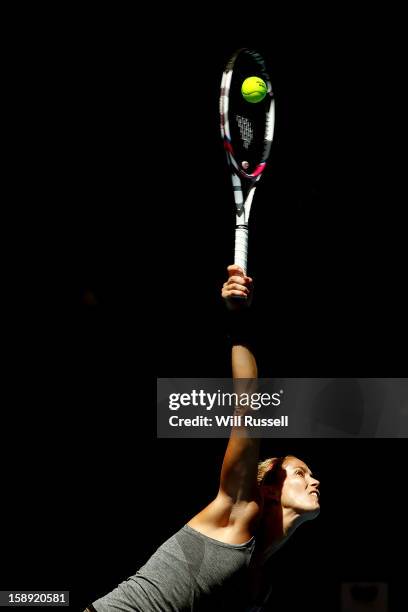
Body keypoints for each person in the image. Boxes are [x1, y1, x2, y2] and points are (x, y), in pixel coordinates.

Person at [85, 265, 320, 612]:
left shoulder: (262, 581)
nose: (314, 479)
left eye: (310, 473)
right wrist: (239, 321)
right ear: (268, 488)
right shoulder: (238, 508)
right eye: (300, 473)